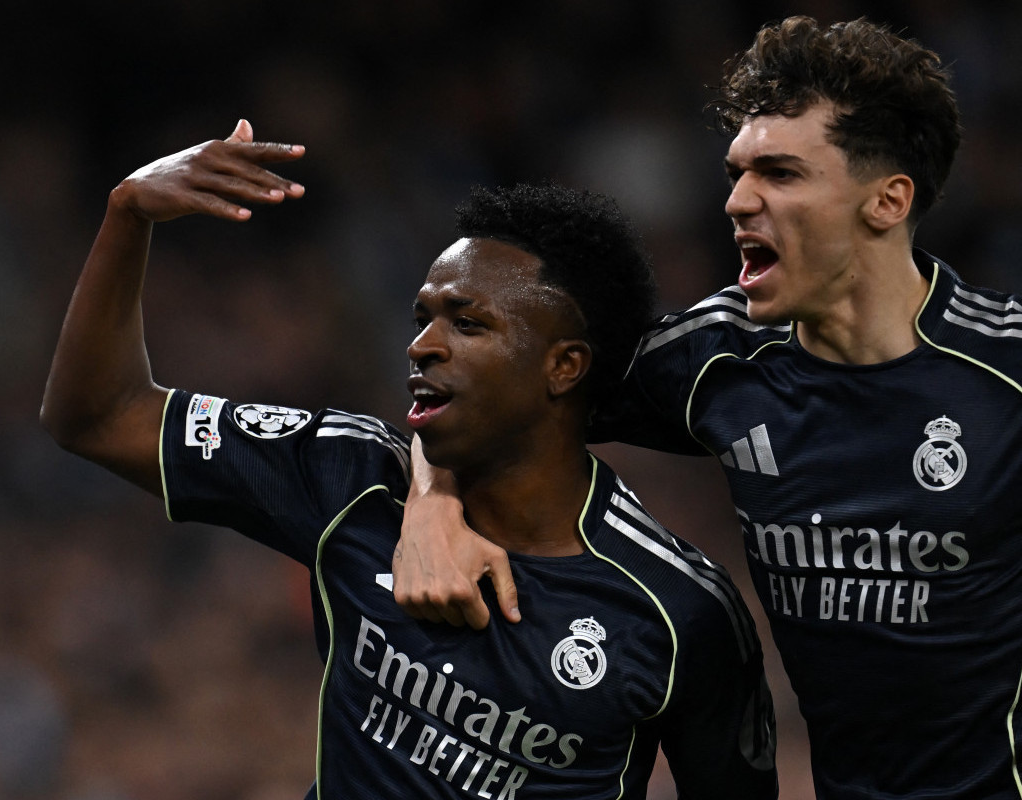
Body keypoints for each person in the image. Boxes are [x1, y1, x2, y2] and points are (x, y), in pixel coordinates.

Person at [39, 122, 778, 798]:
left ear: (564, 366)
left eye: (468, 323)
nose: (423, 344)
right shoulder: (354, 481)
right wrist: (128, 214)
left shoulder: (681, 614)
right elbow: (97, 416)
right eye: (423, 316)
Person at [393, 15, 1022, 800]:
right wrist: (431, 504)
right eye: (737, 172)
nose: (737, 200)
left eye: (781, 174)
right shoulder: (718, 361)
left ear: (887, 201)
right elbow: (480, 394)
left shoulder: (1004, 373)